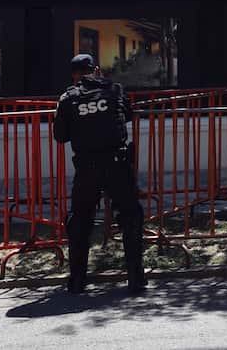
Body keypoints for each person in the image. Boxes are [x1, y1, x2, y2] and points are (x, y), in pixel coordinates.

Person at [52, 53, 146, 294]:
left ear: (74, 74)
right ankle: (136, 278)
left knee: (80, 221)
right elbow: (127, 116)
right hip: (118, 163)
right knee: (130, 217)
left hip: (87, 168)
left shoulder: (68, 98)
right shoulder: (115, 90)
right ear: (96, 69)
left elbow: (60, 136)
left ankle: (77, 281)